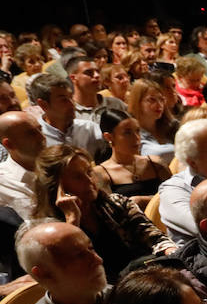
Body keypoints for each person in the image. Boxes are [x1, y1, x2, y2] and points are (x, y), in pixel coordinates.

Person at [32, 146, 175, 278]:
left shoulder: (116, 204)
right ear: (57, 186)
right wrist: (72, 221)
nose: (89, 180)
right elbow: (68, 273)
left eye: (89, 172)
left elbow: (154, 237)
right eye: (77, 177)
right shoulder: (48, 230)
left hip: (141, 279)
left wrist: (171, 252)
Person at [28, 73, 103, 157]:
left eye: (71, 97)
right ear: (43, 104)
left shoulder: (89, 128)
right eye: (63, 100)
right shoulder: (36, 137)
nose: (72, 104)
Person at [0, 110, 48, 218]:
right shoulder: (3, 183)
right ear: (9, 144)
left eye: (40, 129)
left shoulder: (58, 166)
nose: (42, 138)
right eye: (31, 134)